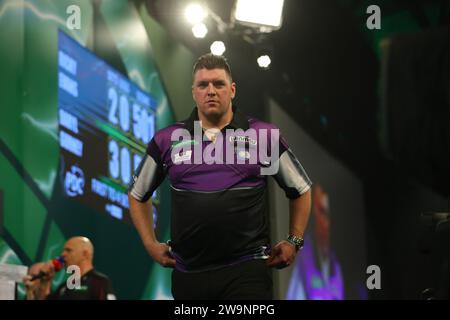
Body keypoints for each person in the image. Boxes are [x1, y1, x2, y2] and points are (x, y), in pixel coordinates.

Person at [128, 53, 312, 299]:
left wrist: (295, 241)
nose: (211, 91)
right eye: (203, 85)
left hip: (247, 271)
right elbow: (138, 194)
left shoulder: (263, 135)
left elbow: (300, 189)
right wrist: (150, 245)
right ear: (194, 91)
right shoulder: (167, 139)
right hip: (189, 275)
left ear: (232, 90)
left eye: (218, 84)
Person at [286, 184, 344, 300]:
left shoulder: (336, 265)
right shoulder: (302, 258)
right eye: (321, 212)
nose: (326, 223)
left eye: (328, 215)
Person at [23, 236, 115, 300]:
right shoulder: (64, 287)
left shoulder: (99, 281)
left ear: (85, 254)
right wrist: (46, 282)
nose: (63, 254)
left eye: (68, 250)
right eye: (63, 251)